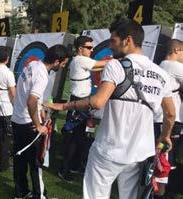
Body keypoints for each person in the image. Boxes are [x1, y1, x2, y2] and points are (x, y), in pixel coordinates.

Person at [45, 20, 176, 199]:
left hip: (108, 150)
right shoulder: (160, 73)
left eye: (113, 40)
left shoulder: (116, 65)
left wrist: (64, 105)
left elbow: (98, 102)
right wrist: (165, 135)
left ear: (127, 40)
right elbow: (170, 113)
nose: (111, 46)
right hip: (139, 153)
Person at [12, 44, 69, 199]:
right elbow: (31, 101)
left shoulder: (32, 64)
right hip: (28, 124)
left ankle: (20, 192)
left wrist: (41, 110)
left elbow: (29, 95)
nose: (64, 66)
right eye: (63, 63)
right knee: (36, 163)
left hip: (17, 120)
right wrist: (38, 125)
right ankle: (39, 195)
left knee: (20, 159)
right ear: (57, 61)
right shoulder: (42, 75)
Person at [59, 36, 108, 183]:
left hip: (81, 103)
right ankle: (64, 169)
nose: (92, 50)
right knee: (74, 139)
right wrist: (118, 59)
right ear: (80, 49)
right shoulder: (81, 60)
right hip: (78, 103)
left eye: (92, 47)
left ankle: (74, 165)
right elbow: (102, 64)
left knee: (80, 137)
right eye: (89, 47)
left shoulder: (81, 60)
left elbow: (101, 66)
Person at [153, 39, 183, 197]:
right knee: (164, 161)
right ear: (177, 50)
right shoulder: (173, 66)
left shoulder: (162, 65)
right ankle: (158, 194)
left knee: (163, 160)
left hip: (163, 118)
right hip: (169, 120)